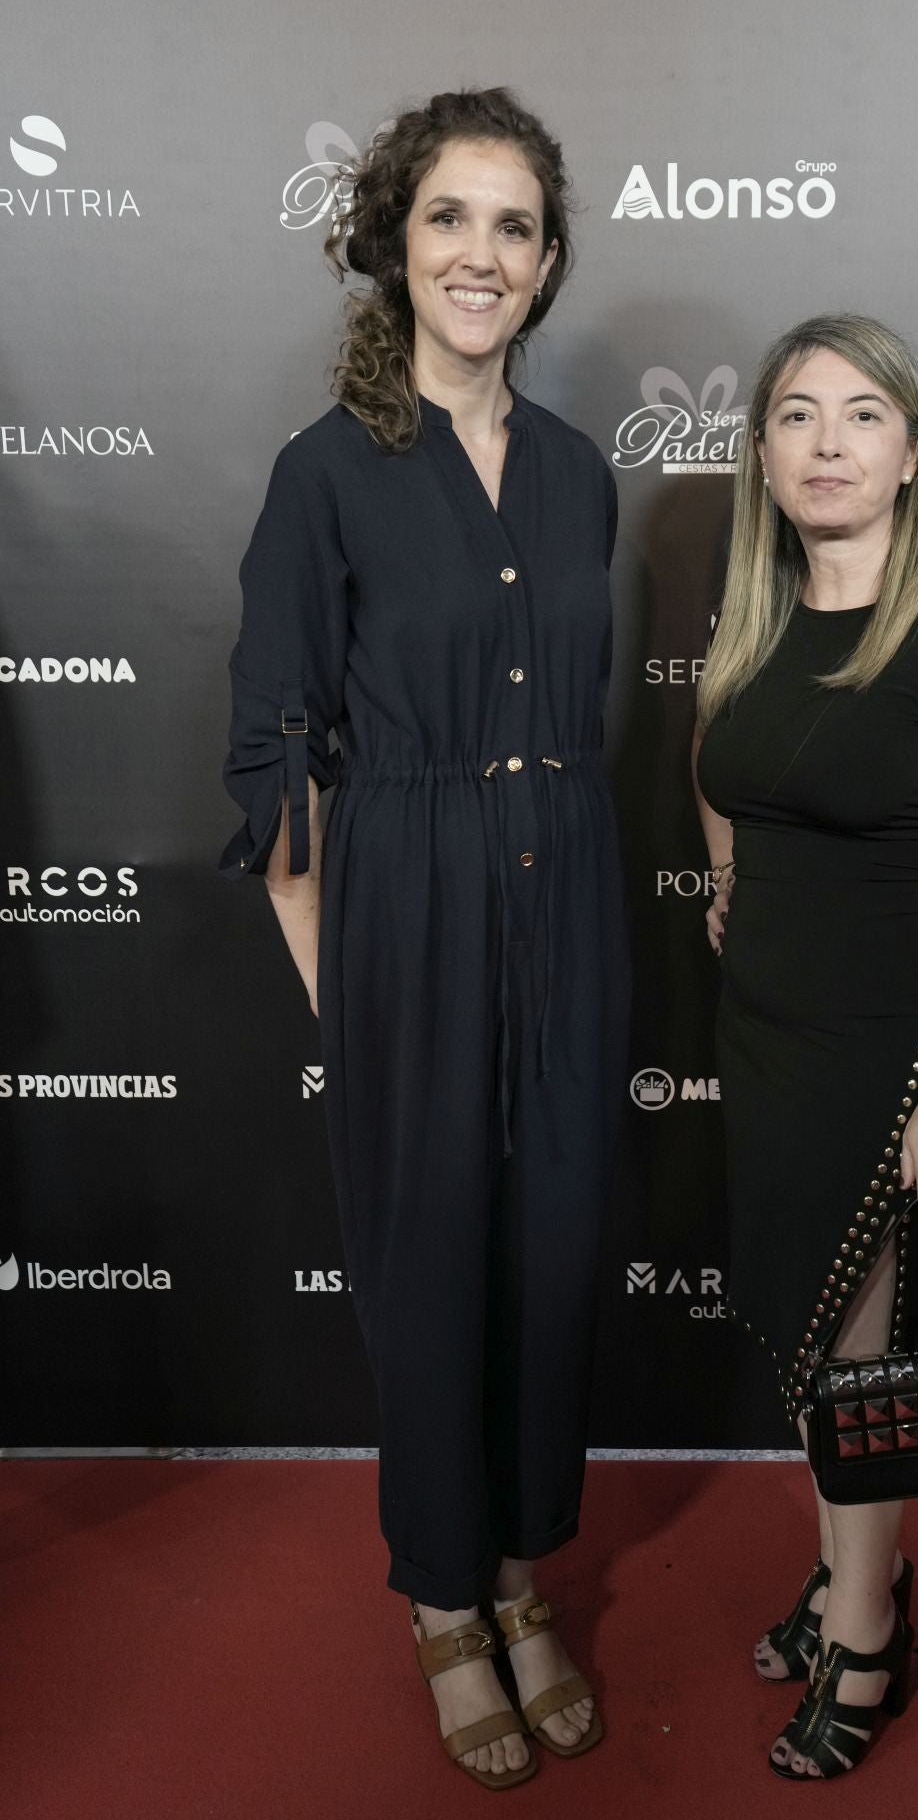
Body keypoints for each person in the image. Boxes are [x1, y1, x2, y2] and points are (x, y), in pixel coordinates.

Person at [219, 88, 628, 1791]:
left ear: (545, 267)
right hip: (409, 921)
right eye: (451, 218)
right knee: (431, 1270)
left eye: (515, 226)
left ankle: (526, 1569)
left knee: (551, 1259)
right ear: (395, 238)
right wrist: (354, 986)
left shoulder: (583, 476)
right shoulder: (326, 476)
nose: (482, 253)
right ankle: (445, 1605)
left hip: (573, 913)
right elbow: (270, 755)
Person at [692, 314, 918, 1781]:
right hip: (765, 1043)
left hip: (884, 1058)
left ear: (911, 456)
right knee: (807, 1342)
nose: (826, 443)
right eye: (795, 416)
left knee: (862, 1359)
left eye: (860, 417)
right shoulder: (753, 623)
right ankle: (864, 1574)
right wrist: (731, 893)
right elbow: (726, 783)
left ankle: (865, 1638)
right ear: (764, 456)